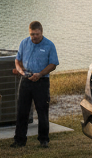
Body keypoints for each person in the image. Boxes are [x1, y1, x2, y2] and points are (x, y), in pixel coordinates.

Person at [12, 20, 58, 148]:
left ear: (41, 32)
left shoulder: (49, 45)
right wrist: (21, 71)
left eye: (37, 34)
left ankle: (43, 140)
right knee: (22, 110)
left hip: (41, 82)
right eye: (32, 34)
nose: (34, 37)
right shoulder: (24, 43)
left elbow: (53, 64)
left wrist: (40, 74)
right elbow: (17, 60)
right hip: (25, 81)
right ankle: (19, 140)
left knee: (42, 111)